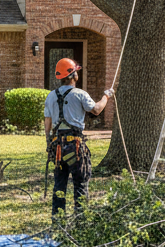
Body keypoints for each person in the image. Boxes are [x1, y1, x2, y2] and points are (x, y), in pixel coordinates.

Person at [43, 58, 113, 218]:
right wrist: (106, 96)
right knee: (80, 185)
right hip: (75, 147)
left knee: (59, 186)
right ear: (73, 75)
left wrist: (48, 142)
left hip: (58, 147)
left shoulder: (51, 96)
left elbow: (47, 122)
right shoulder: (80, 94)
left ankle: (58, 222)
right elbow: (96, 110)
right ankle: (81, 226)